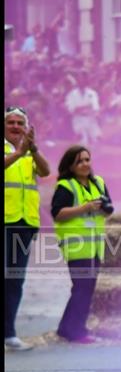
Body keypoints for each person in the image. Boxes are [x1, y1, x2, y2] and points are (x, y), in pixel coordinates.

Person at [51, 145, 113, 344]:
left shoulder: (99, 183)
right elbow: (58, 214)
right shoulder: (66, 186)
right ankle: (77, 331)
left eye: (87, 160)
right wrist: (84, 207)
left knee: (85, 287)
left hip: (95, 246)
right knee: (82, 287)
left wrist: (103, 208)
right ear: (71, 166)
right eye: (79, 161)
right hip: (76, 245)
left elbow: (108, 210)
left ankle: (66, 328)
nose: (85, 164)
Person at [4, 106, 51, 351]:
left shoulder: (30, 153)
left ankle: (9, 334)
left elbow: (46, 171)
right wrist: (19, 152)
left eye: (19, 123)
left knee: (14, 280)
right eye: (10, 122)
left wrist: (32, 149)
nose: (14, 127)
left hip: (24, 223)